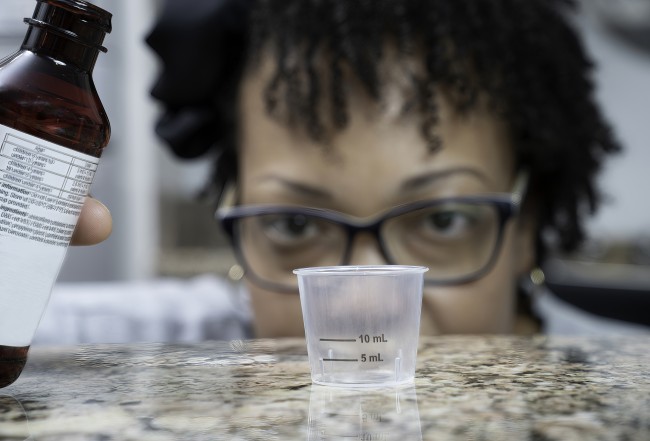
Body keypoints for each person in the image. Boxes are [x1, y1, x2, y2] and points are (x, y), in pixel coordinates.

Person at [67, 0, 633, 340]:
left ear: (526, 230)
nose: (366, 307)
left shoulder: (624, 399)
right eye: (294, 225)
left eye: (442, 222)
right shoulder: (169, 350)